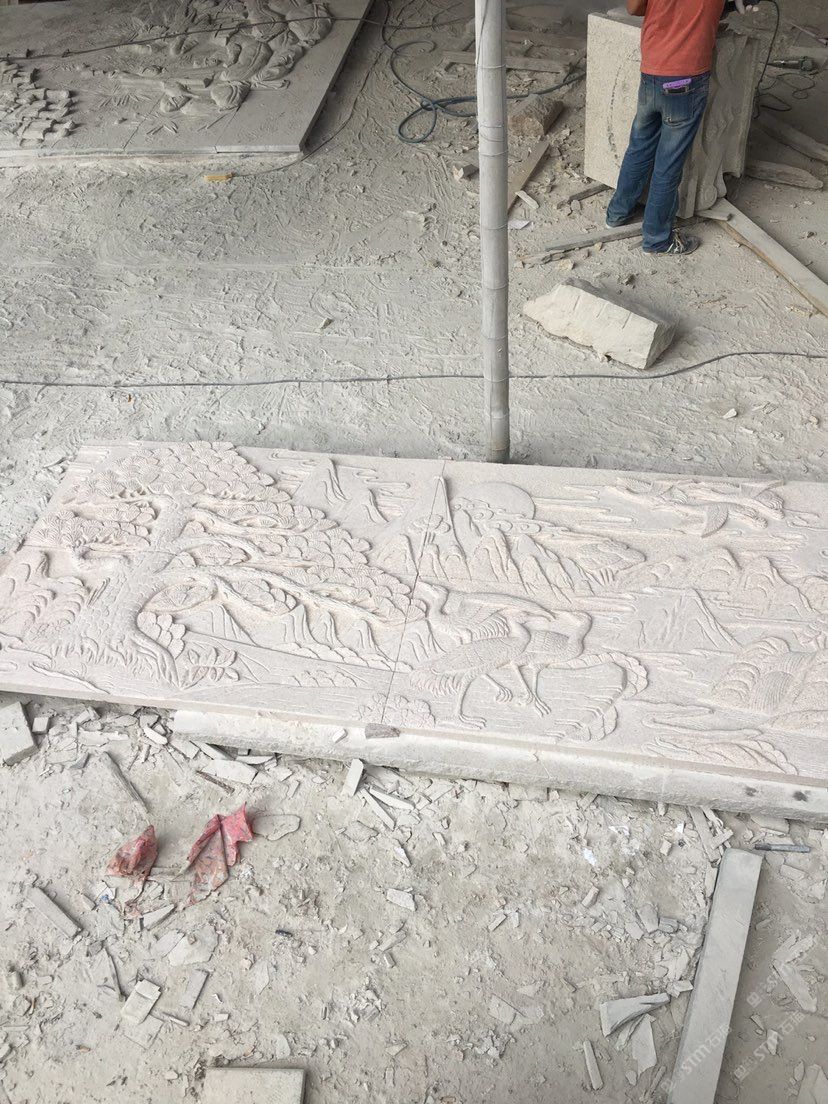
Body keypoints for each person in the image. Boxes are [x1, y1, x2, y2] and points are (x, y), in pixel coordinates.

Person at [606, 0, 756, 256]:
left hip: (652, 69)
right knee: (669, 164)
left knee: (640, 147)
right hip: (686, 77)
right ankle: (656, 239)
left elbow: (634, 8)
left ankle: (617, 214)